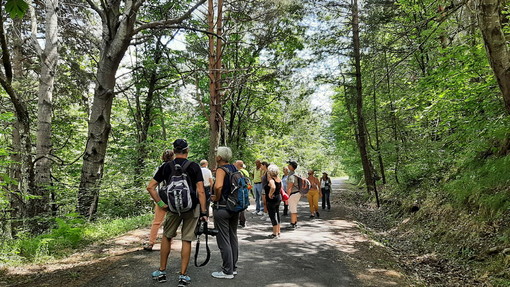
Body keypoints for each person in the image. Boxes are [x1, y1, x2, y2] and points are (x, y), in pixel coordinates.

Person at [147, 139, 208, 286]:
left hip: (172, 208)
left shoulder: (166, 166)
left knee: (167, 237)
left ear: (174, 151)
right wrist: (204, 212)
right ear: (187, 150)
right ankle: (183, 276)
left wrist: (161, 204)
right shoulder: (194, 166)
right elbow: (200, 190)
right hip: (191, 207)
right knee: (186, 240)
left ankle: (162, 271)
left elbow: (150, 187)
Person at [211, 146, 239, 279]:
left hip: (222, 208)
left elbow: (218, 186)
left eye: (217, 154)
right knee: (233, 237)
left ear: (219, 157)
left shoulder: (221, 170)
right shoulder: (234, 168)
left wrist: (216, 197)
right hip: (234, 207)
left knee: (223, 239)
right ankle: (233, 268)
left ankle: (227, 271)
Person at [144, 149, 175, 251]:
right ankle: (169, 242)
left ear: (163, 157)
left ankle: (151, 243)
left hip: (161, 198)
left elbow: (153, 186)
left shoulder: (159, 168)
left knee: (157, 222)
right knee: (173, 221)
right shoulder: (177, 167)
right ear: (173, 156)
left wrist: (160, 202)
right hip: (174, 199)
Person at [265, 164, 282, 238]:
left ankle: (275, 233)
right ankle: (278, 231)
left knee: (272, 215)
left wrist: (269, 194)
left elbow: (273, 187)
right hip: (278, 197)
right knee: (277, 214)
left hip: (272, 199)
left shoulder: (271, 180)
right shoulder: (278, 178)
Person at [286, 160, 301, 229]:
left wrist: (287, 197)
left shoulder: (292, 176)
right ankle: (294, 222)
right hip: (297, 193)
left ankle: (293, 224)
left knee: (293, 209)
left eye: (289, 165)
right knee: (294, 208)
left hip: (293, 194)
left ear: (292, 167)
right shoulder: (295, 174)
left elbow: (289, 187)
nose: (288, 166)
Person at [234, 160, 249, 228]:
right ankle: (243, 222)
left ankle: (240, 221)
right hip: (245, 190)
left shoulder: (239, 172)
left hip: (240, 190)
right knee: (243, 205)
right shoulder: (246, 171)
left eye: (235, 164)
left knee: (239, 205)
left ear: (238, 165)